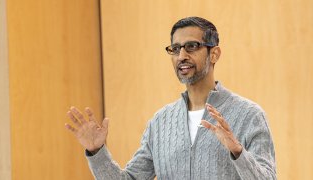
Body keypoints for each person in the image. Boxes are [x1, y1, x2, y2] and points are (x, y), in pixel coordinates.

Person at [65, 16, 276, 180]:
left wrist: (238, 152)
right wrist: (97, 152)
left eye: (192, 46)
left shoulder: (249, 115)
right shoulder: (160, 122)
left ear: (214, 54)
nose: (182, 55)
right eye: (175, 49)